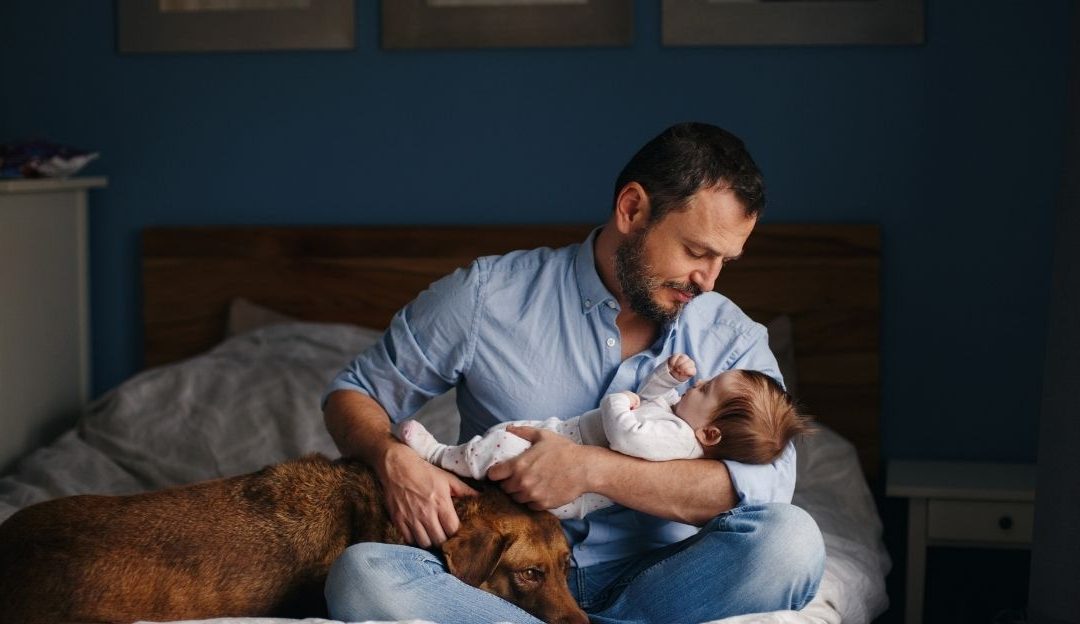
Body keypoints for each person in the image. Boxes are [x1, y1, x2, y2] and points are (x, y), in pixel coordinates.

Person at [321, 121, 825, 623]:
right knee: (362, 575)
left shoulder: (733, 338)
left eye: (724, 261)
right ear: (632, 209)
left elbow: (764, 487)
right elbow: (354, 393)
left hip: (663, 580)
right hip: (503, 582)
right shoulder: (486, 296)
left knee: (791, 542)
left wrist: (590, 470)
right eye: (696, 252)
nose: (708, 282)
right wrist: (392, 460)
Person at [397, 353, 812, 520]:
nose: (696, 385)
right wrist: (666, 378)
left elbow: (629, 433)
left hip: (570, 486)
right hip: (562, 440)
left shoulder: (675, 439)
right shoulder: (682, 424)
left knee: (501, 447)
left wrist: (620, 400)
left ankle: (438, 455)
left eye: (703, 390)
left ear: (710, 432)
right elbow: (654, 402)